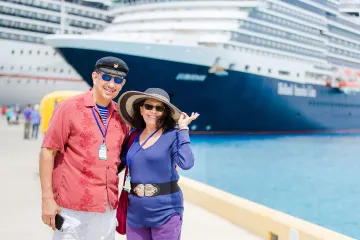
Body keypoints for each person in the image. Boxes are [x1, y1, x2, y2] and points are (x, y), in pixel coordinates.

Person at [39, 56, 130, 240]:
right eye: (107, 77)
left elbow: (120, 159)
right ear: (95, 76)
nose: (111, 84)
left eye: (118, 80)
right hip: (72, 208)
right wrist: (47, 199)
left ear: (123, 84)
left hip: (106, 208)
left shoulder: (122, 117)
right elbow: (48, 151)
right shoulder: (69, 108)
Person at [117, 88, 199, 240]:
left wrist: (183, 129)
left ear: (164, 112)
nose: (153, 111)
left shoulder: (173, 135)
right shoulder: (133, 137)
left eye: (159, 108)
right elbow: (116, 164)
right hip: (135, 212)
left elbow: (187, 163)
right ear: (141, 109)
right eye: (149, 106)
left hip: (166, 211)